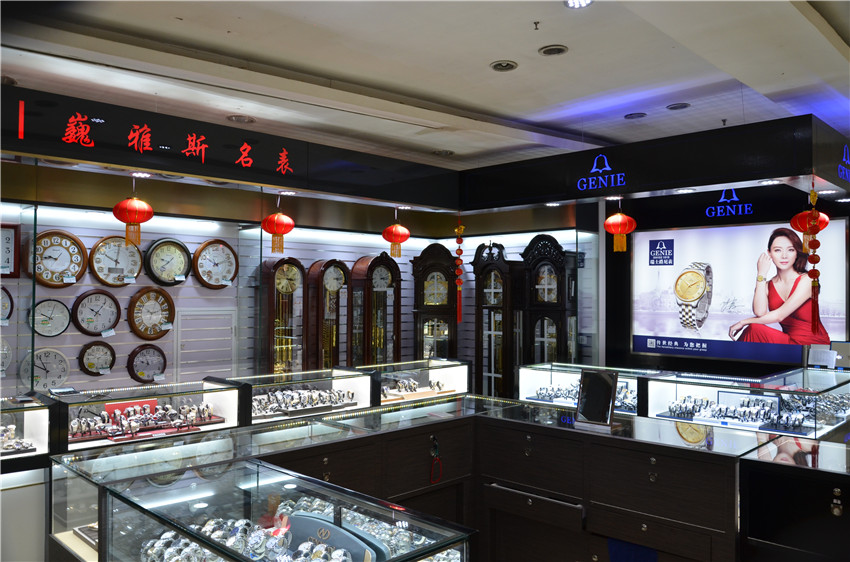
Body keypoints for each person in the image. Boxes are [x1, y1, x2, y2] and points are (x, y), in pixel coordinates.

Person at [729, 228, 829, 344]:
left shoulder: (808, 280)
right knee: (754, 329)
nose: (784, 256)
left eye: (790, 250)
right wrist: (761, 274)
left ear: (796, 253)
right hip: (789, 342)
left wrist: (743, 322)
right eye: (777, 250)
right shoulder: (768, 285)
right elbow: (759, 312)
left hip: (814, 344)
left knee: (754, 328)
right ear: (769, 253)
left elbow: (780, 315)